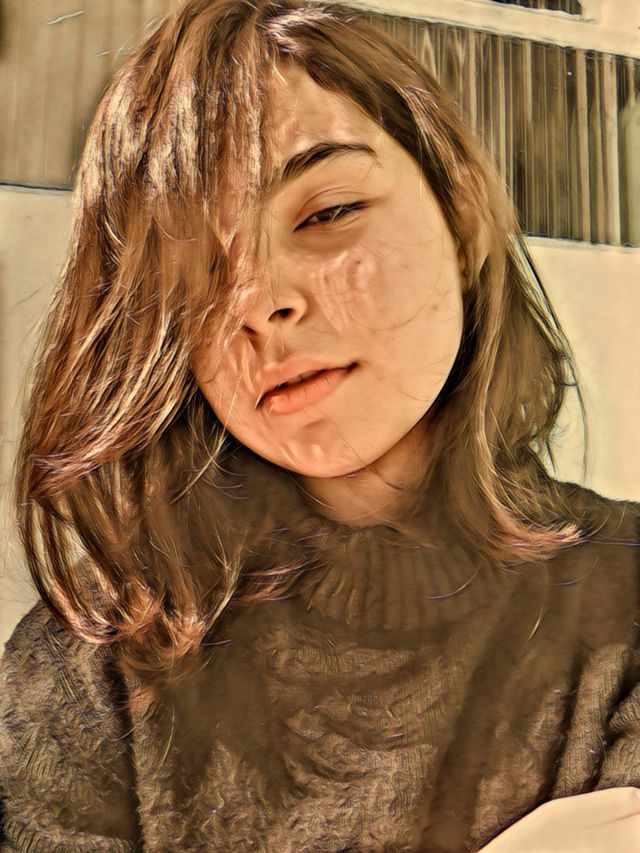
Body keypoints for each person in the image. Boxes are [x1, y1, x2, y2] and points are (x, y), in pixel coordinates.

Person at [1, 0, 638, 850]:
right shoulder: (91, 665)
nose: (261, 303)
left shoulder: (627, 604)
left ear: (462, 214)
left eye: (326, 212)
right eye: (196, 272)